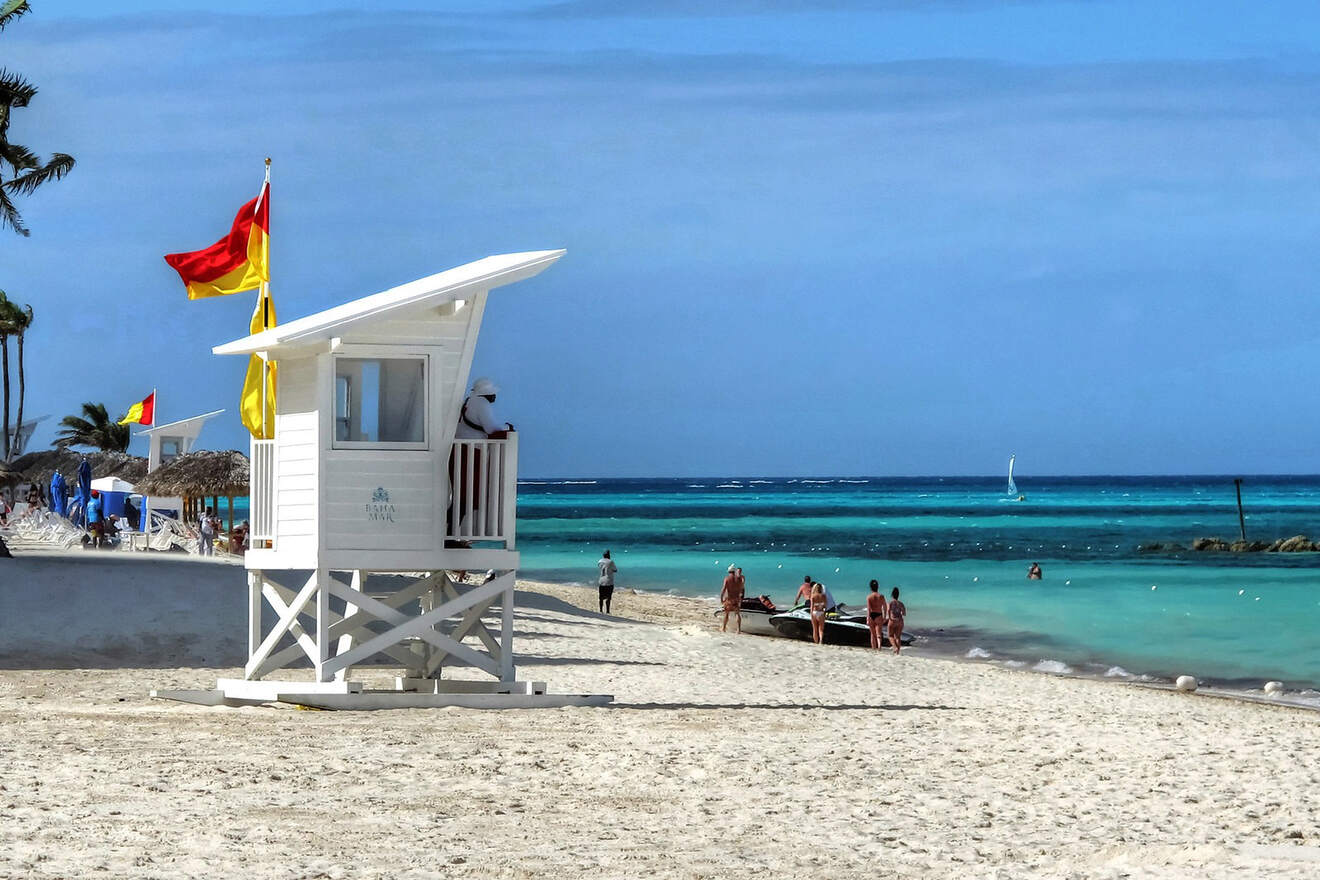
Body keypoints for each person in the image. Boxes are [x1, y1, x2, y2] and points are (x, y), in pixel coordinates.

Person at [448, 376, 514, 545]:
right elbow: (491, 428)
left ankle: (450, 533)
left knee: (462, 496)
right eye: (493, 394)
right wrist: (508, 430)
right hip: (472, 452)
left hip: (458, 451)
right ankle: (449, 534)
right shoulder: (481, 404)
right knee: (467, 495)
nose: (495, 397)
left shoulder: (468, 401)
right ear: (488, 393)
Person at [720, 564, 744, 633]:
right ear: (734, 571)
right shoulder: (739, 579)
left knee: (726, 614)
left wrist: (721, 598)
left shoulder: (727, 579)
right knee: (737, 613)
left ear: (729, 571)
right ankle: (738, 629)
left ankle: (724, 628)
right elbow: (741, 588)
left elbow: (723, 589)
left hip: (729, 599)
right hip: (736, 598)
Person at [865, 579, 888, 650]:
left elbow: (869, 609)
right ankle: (879, 647)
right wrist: (884, 617)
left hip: (872, 615)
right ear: (878, 587)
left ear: (870, 587)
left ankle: (874, 649)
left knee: (872, 634)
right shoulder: (881, 596)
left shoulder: (869, 597)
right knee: (878, 634)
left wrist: (868, 619)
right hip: (878, 615)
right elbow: (885, 607)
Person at [597, 549, 618, 614]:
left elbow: (600, 567)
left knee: (601, 597)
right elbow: (615, 570)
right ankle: (608, 611)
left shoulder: (599, 561)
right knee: (608, 597)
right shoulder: (611, 562)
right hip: (608, 581)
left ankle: (600, 610)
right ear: (609, 555)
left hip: (601, 581)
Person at [887, 587, 906, 654]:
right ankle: (897, 652)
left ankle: (894, 647)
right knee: (898, 637)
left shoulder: (890, 603)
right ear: (898, 595)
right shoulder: (901, 603)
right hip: (900, 621)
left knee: (890, 636)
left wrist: (889, 617)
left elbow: (888, 610)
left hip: (892, 620)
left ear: (892, 595)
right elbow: (904, 613)